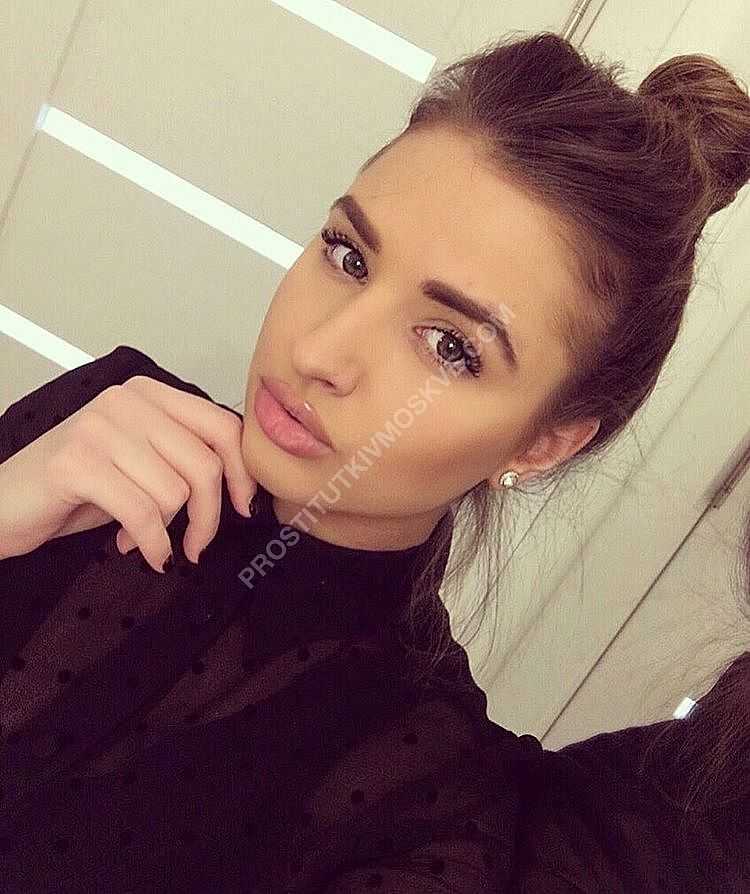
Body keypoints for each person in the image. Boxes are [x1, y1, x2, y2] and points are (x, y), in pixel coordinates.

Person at [1, 30, 749, 892]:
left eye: (449, 346)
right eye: (348, 256)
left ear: (542, 443)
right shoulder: (101, 420)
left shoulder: (428, 800)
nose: (319, 350)